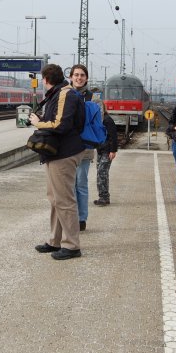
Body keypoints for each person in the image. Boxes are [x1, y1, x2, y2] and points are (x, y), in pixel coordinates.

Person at [29, 63, 86, 260]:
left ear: (45, 79)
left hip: (65, 153)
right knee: (55, 199)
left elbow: (61, 125)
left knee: (64, 200)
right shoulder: (57, 93)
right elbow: (56, 118)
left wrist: (38, 123)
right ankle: (55, 241)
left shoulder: (65, 94)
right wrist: (41, 118)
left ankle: (72, 246)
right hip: (56, 153)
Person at [69, 64, 93, 231]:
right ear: (71, 77)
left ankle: (81, 218)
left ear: (86, 78)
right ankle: (70, 217)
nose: (79, 78)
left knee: (81, 184)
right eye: (76, 75)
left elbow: (97, 119)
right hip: (66, 149)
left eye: (82, 75)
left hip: (84, 148)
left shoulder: (93, 97)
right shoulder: (64, 94)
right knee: (68, 186)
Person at [93, 99, 118, 206]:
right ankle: (103, 197)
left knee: (101, 172)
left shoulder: (107, 120)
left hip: (107, 151)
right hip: (100, 150)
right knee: (101, 173)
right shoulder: (97, 120)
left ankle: (104, 197)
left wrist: (113, 150)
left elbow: (113, 136)